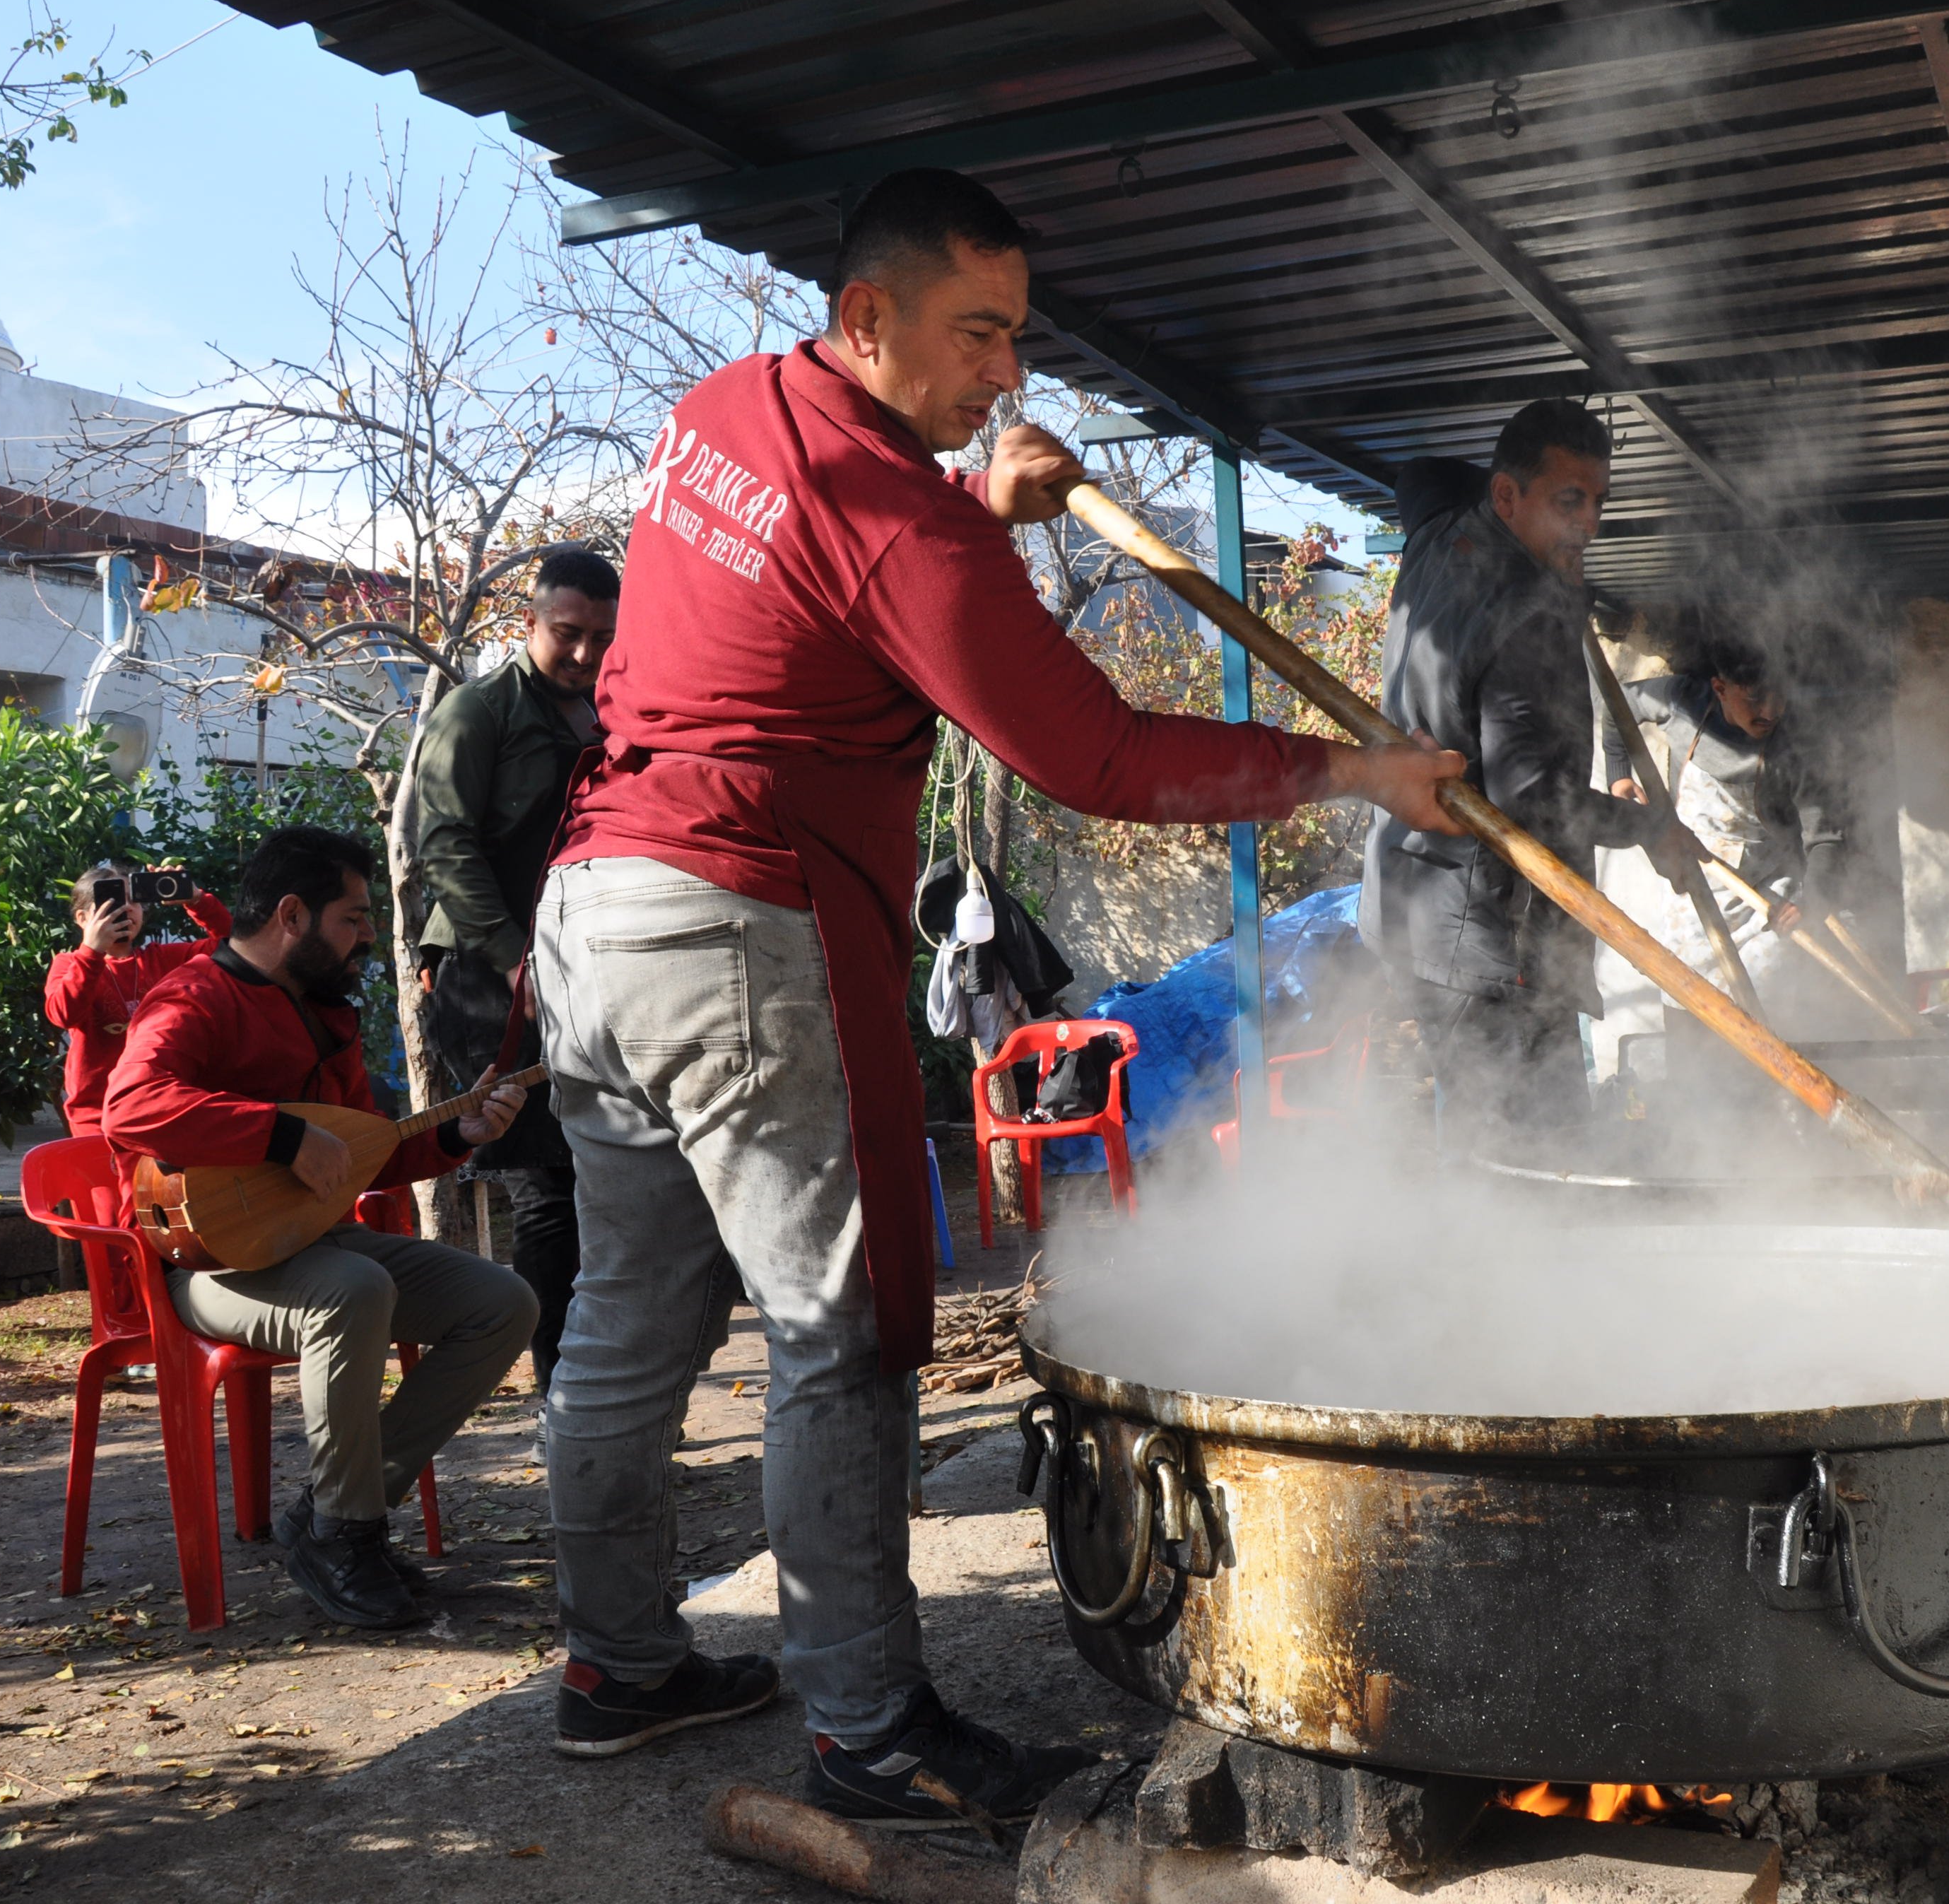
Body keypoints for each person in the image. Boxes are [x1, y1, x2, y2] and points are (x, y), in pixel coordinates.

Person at [530, 166, 1465, 1810]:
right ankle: (872, 1730)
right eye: (978, 334)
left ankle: (616, 1664)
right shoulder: (905, 523)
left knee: (626, 1309)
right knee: (843, 1331)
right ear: (867, 314)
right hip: (746, 919)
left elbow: (848, 578)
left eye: (1016, 338)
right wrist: (1353, 768)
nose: (1007, 374)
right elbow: (1090, 750)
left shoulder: (725, 404)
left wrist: (982, 509)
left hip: (598, 910)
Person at [102, 827, 542, 1633]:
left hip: (309, 1245)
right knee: (354, 1288)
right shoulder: (194, 997)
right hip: (204, 1267)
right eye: (355, 916)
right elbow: (128, 1105)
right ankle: (347, 1536)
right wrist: (280, 1136)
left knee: (504, 1302)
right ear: (293, 914)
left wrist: (458, 1136)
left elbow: (359, 1156)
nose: (370, 932)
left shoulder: (325, 1016)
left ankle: (329, 1513)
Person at [1362, 398, 1678, 1142]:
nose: (1590, 524)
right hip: (1490, 931)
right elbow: (1530, 799)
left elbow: (1421, 477)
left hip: (1414, 907)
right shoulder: (1528, 608)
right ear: (1505, 495)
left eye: (1599, 500)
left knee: (1476, 1138)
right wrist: (1650, 828)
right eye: (1569, 501)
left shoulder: (1439, 533)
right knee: (1532, 1153)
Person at [404, 545, 618, 1401]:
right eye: (568, 633)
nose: (586, 654)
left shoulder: (617, 710)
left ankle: (609, 1379)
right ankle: (565, 1394)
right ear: (525, 622)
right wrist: (514, 955)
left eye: (604, 636)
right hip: (488, 975)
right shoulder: (475, 711)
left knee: (610, 1176)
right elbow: (443, 846)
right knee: (549, 1183)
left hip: (587, 967)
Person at [1596, 631, 1856, 1047]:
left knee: (1766, 1003)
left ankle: (1774, 1095)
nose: (1771, 711)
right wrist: (1619, 775)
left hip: (1765, 894)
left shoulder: (1797, 753)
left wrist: (1811, 901)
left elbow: (1825, 839)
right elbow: (1616, 704)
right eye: (1755, 698)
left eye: (1779, 697)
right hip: (1695, 883)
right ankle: (1697, 1091)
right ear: (1720, 689)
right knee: (1683, 991)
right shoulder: (1680, 703)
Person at [43, 863, 233, 1137]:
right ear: (83, 918)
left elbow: (232, 945)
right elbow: (63, 1014)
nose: (126, 909)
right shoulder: (70, 964)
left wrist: (196, 900)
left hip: (162, 1109)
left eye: (133, 900)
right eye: (112, 902)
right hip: (97, 1116)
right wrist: (91, 952)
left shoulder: (163, 960)